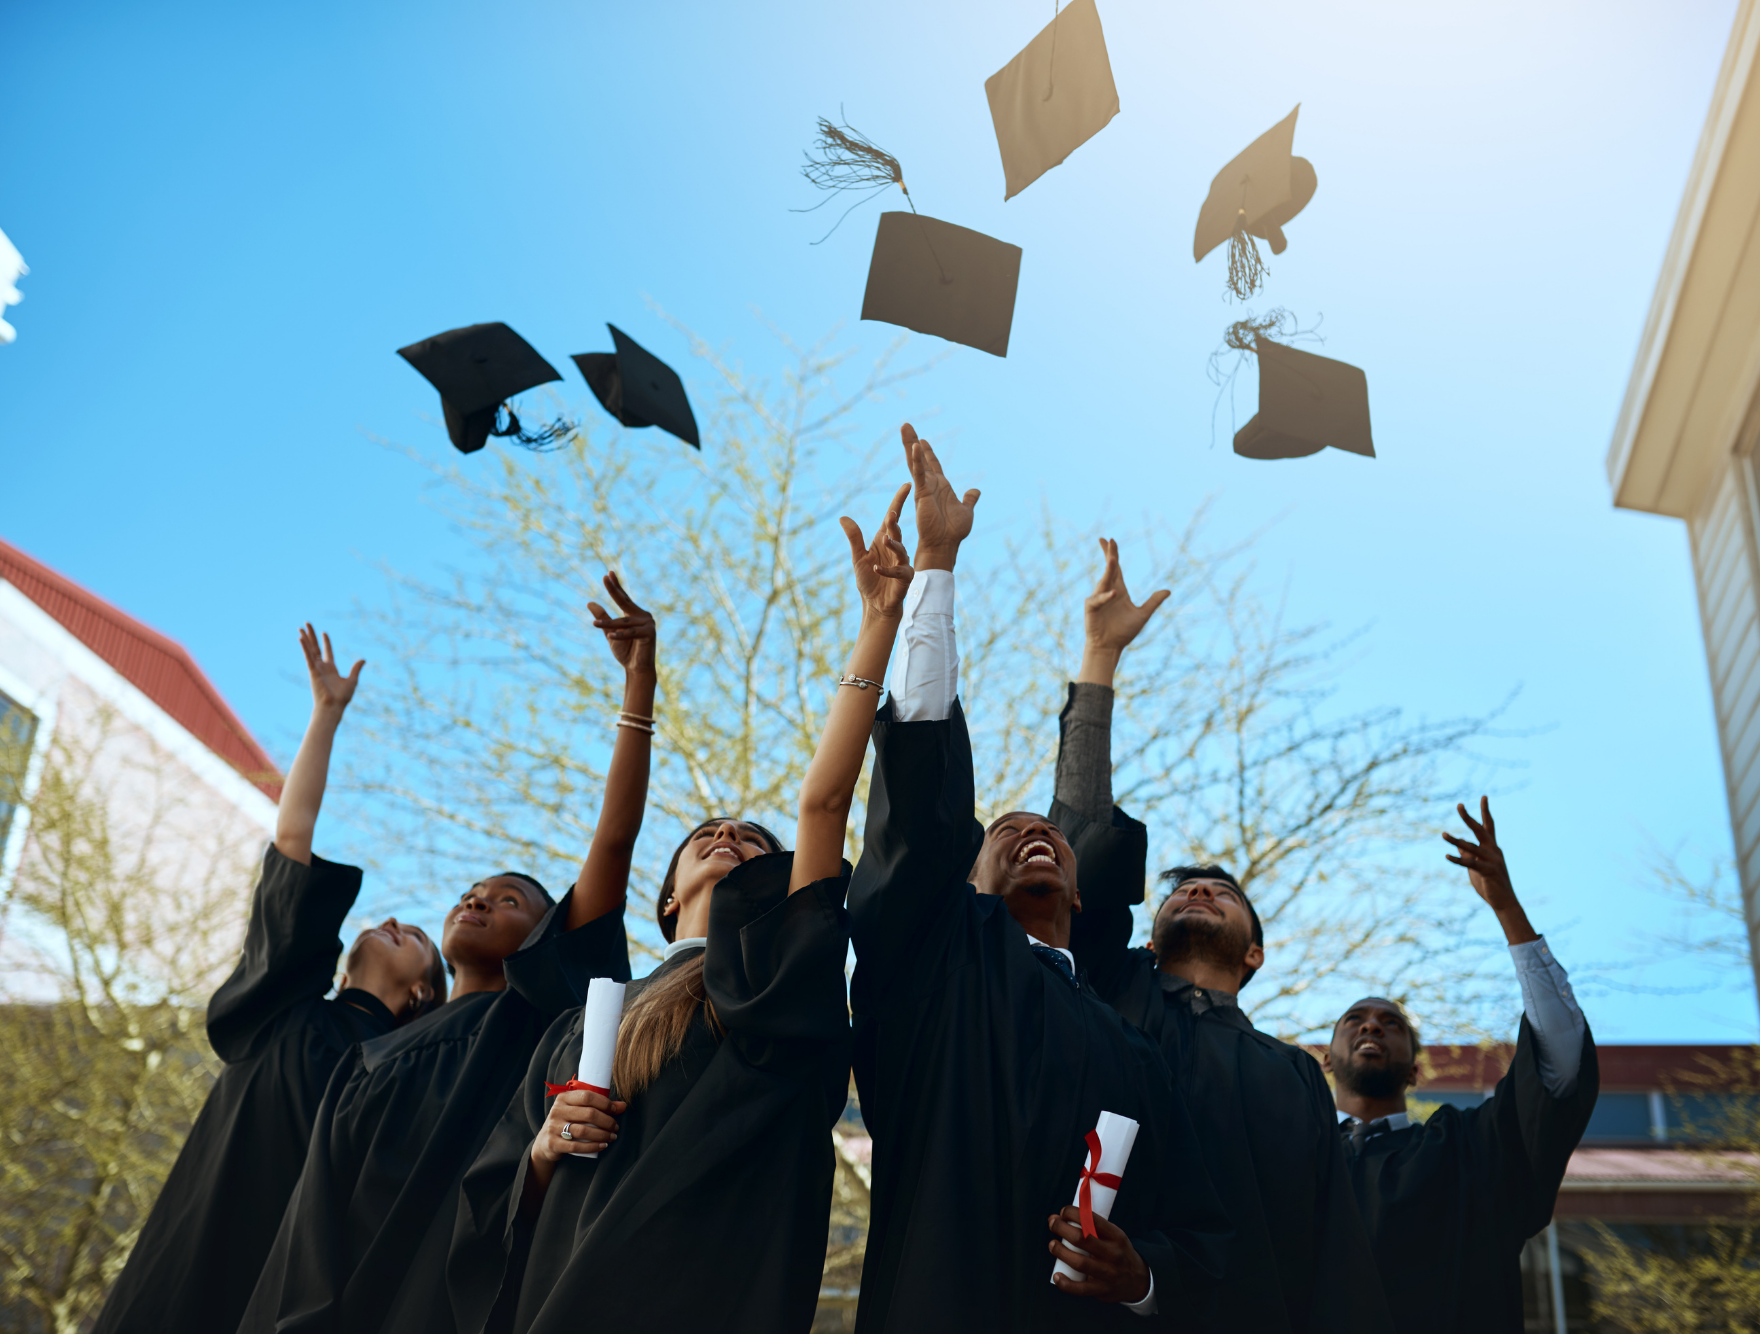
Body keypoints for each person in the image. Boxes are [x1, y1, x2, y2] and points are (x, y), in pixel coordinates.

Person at [449, 478, 918, 1334]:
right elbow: (494, 1207)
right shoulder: (584, 1024)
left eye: (752, 840)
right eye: (708, 830)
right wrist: (551, 1146)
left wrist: (879, 622)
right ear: (666, 896)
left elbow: (823, 806)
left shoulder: (783, 982)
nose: (730, 834)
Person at [848, 429, 1230, 1334]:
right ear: (960, 881)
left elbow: (1194, 1226)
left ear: (1083, 894)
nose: (1032, 835)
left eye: (1046, 837)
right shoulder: (933, 965)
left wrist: (1140, 1274)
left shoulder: (1132, 1044)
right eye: (1002, 835)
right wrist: (936, 569)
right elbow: (919, 806)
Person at [239, 575, 654, 1334]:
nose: (478, 901)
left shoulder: (529, 1022)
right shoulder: (365, 1061)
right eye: (470, 891)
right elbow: (309, 1237)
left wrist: (637, 694)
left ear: (543, 937)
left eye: (509, 900)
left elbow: (613, 848)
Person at [1055, 542, 1396, 1334]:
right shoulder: (1105, 990)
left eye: (1223, 890)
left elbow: (1331, 1253)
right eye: (1179, 890)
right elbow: (1083, 839)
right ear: (1151, 928)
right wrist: (1099, 659)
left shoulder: (1295, 1079)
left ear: (1254, 952)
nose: (1198, 889)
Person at [92, 625, 446, 1334]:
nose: (398, 920)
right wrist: (325, 717)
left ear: (422, 996)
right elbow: (293, 842)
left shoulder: (407, 1076)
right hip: (181, 1275)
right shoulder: (283, 1009)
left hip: (294, 1299)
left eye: (419, 941)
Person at [1322, 799, 1598, 1334]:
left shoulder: (1464, 1152)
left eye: (1391, 1022)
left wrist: (1506, 908)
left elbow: (1559, 1068)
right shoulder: (1286, 1157)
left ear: (1414, 1072)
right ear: (1326, 1061)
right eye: (1355, 1018)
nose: (1372, 1025)